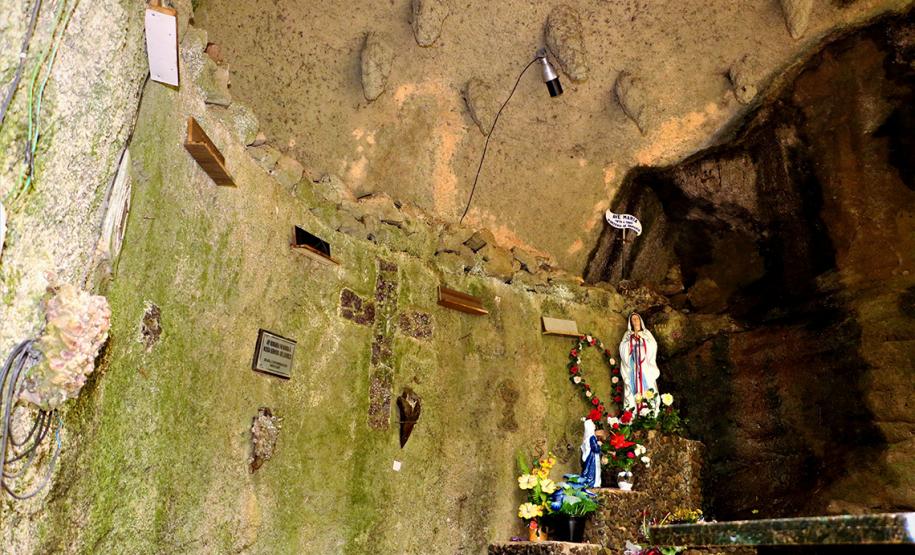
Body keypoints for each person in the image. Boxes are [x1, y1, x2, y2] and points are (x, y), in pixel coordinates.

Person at [618, 312, 660, 410]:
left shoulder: (646, 333)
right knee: (633, 385)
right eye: (633, 319)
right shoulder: (628, 335)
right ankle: (633, 411)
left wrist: (641, 339)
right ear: (631, 322)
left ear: (640, 320)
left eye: (637, 318)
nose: (635, 320)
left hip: (645, 366)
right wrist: (632, 340)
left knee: (648, 385)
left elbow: (653, 346)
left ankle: (649, 410)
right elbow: (622, 348)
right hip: (633, 365)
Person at [580, 418, 601, 487]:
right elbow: (595, 448)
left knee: (589, 468)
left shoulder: (588, 437)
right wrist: (599, 445)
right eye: (593, 425)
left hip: (590, 455)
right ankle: (591, 482)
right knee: (592, 469)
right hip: (592, 456)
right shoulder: (592, 437)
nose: (594, 426)